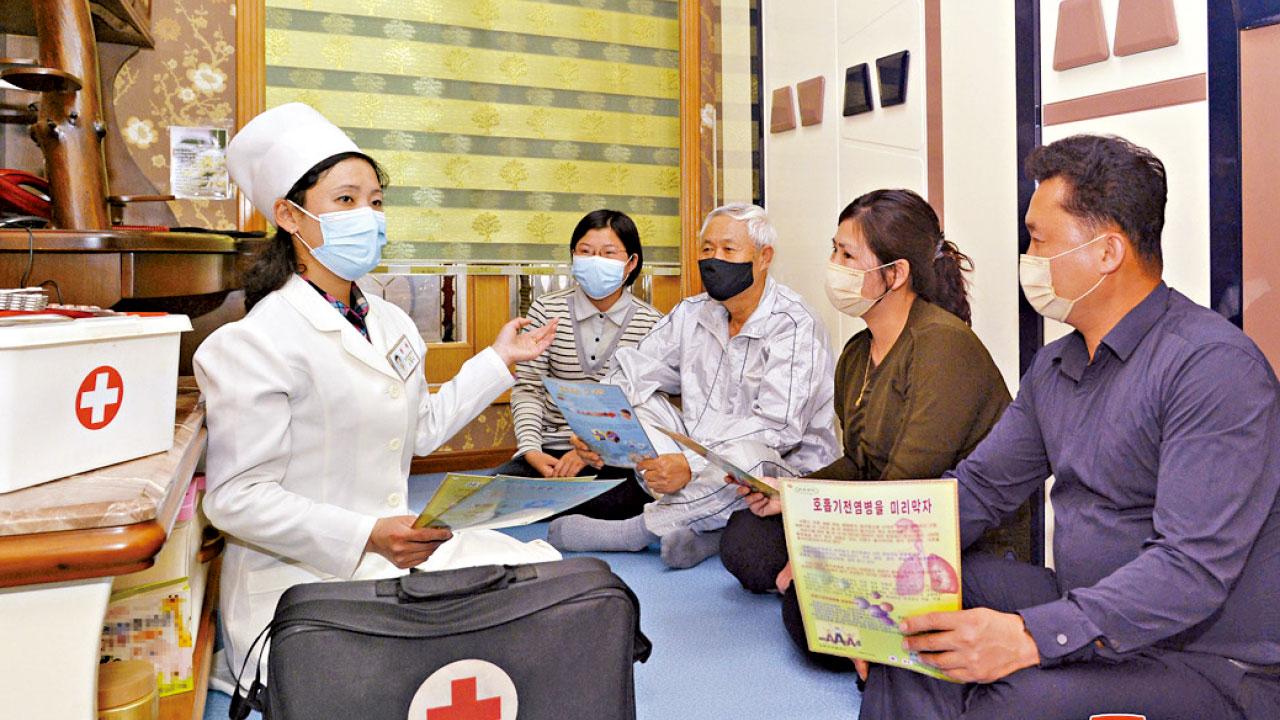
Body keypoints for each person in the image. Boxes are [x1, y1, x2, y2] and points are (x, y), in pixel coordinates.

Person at [857, 134, 1280, 719]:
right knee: (919, 605)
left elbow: (1190, 570)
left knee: (1011, 700)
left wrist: (1031, 637)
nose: (1028, 258)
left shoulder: (1212, 368)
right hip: (1087, 598)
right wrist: (868, 574)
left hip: (1205, 657)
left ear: (1107, 253)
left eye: (1039, 239)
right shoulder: (1056, 367)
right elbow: (979, 488)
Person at [193, 103, 556, 684]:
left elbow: (423, 430)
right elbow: (236, 498)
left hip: (398, 550)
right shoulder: (252, 343)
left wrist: (499, 360)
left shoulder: (390, 322)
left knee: (539, 574)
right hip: (304, 579)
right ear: (288, 215)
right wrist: (365, 534)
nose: (367, 216)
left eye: (376, 201)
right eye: (345, 199)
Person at [720, 189, 1029, 672]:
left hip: (949, 541)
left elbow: (906, 486)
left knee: (808, 617)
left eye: (848, 256)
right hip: (881, 516)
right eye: (834, 250)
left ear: (896, 273)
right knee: (746, 539)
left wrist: (817, 548)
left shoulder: (943, 346)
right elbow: (859, 464)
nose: (834, 266)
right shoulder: (858, 352)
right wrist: (792, 495)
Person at [546, 203, 839, 568]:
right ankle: (704, 529)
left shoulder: (794, 325)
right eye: (707, 249)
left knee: (747, 457)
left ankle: (638, 531)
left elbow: (778, 430)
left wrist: (691, 463)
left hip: (781, 470)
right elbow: (633, 370)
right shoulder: (692, 313)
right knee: (639, 405)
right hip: (696, 464)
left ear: (764, 257)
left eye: (728, 249)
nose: (715, 259)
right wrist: (597, 429)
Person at [494, 209, 664, 519]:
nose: (596, 260)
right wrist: (531, 451)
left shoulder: (652, 324)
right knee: (493, 494)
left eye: (608, 253)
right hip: (551, 449)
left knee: (625, 499)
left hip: (614, 457)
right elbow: (529, 389)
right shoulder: (547, 310)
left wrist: (590, 450)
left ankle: (561, 506)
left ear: (631, 262)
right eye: (585, 252)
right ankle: (562, 502)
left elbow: (644, 407)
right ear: (573, 256)